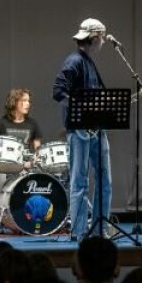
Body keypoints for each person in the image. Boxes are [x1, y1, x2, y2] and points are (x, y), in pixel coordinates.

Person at [53, 18, 112, 241]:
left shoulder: (87, 62)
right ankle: (79, 232)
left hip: (96, 128)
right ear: (95, 38)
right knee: (80, 181)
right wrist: (82, 108)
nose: (104, 42)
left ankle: (99, 229)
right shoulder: (74, 61)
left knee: (104, 180)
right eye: (102, 38)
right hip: (80, 130)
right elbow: (58, 91)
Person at [0, 88, 43, 170]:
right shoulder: (1, 123)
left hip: (25, 169)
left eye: (28, 101)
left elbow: (38, 151)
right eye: (24, 100)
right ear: (14, 102)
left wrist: (32, 162)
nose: (28, 104)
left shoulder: (33, 123)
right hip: (4, 168)